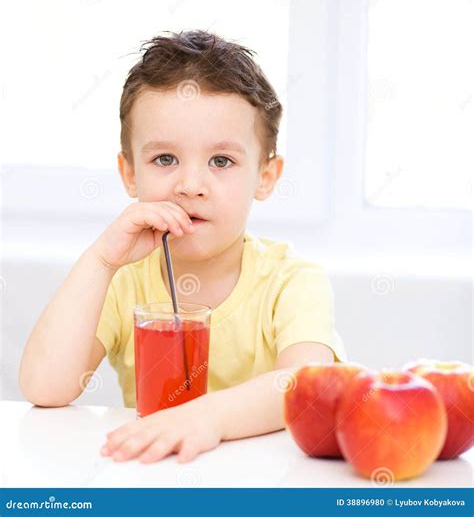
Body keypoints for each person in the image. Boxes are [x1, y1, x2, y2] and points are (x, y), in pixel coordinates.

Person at [19, 30, 347, 464]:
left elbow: (307, 382)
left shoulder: (291, 281)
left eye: (221, 161)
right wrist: (101, 261)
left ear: (265, 177)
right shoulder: (123, 279)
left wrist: (206, 417)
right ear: (130, 173)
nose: (190, 186)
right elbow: (45, 387)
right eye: (165, 160)